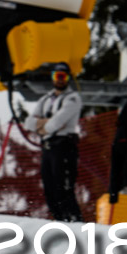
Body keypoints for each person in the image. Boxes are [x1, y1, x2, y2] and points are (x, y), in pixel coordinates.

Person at [25, 62, 83, 222]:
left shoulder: (72, 98)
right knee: (49, 188)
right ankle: (59, 219)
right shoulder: (45, 99)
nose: (59, 80)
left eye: (63, 76)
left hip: (64, 146)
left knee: (63, 187)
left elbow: (55, 124)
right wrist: (45, 126)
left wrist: (43, 125)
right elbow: (29, 122)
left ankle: (74, 220)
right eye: (56, 76)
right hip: (48, 147)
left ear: (68, 78)